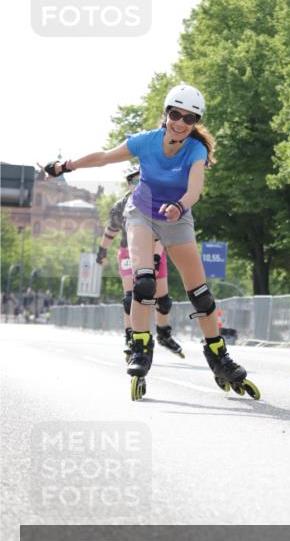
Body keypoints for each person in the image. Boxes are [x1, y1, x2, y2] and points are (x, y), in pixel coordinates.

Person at [43, 84, 260, 401]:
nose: (181, 123)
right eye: (175, 114)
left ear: (195, 121)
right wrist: (66, 165)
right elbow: (105, 157)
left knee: (200, 294)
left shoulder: (195, 150)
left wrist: (180, 206)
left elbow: (195, 189)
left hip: (177, 216)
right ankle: (141, 348)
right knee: (143, 284)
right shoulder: (146, 142)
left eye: (189, 118)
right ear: (166, 114)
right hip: (141, 214)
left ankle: (218, 356)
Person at [96, 169, 186, 360]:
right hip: (129, 252)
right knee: (132, 297)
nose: (137, 184)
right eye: (133, 181)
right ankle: (131, 337)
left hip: (156, 249)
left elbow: (163, 232)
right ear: (128, 184)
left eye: (141, 180)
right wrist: (102, 251)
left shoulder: (158, 201)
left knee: (163, 301)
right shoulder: (121, 204)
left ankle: (164, 334)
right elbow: (111, 230)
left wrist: (156, 257)